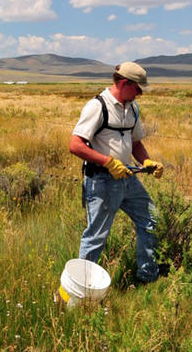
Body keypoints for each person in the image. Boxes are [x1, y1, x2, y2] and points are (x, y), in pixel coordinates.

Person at [69, 62, 165, 284]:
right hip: (102, 181)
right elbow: (75, 145)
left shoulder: (132, 108)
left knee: (151, 220)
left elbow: (135, 142)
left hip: (127, 179)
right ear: (124, 83)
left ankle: (147, 278)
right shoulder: (97, 106)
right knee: (96, 237)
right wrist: (108, 162)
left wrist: (147, 161)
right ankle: (80, 287)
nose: (140, 94)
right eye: (138, 88)